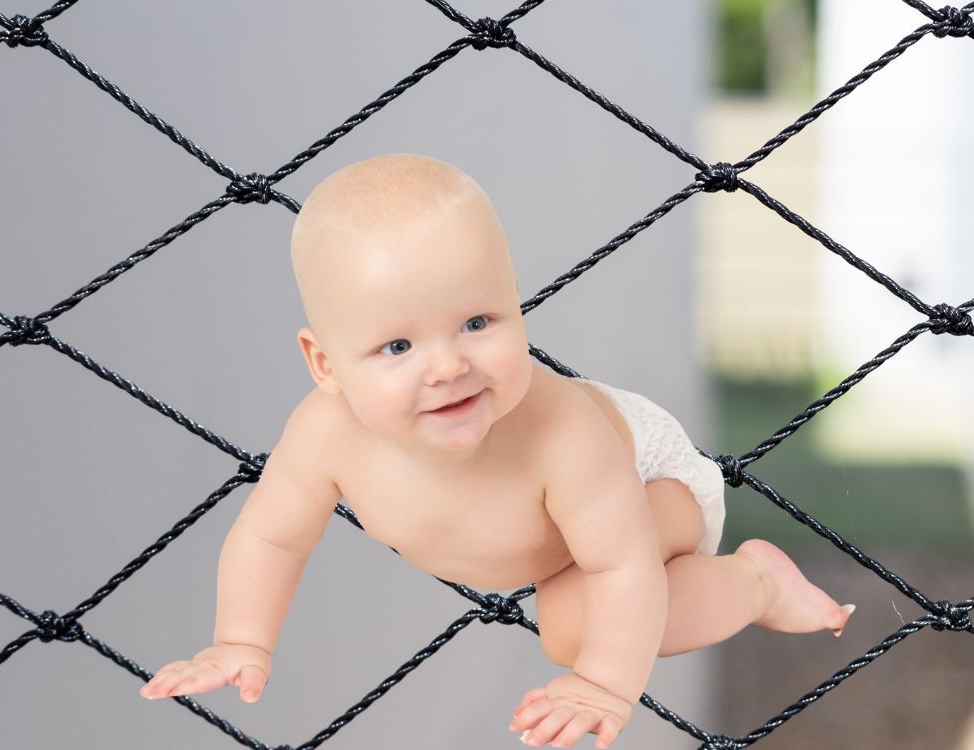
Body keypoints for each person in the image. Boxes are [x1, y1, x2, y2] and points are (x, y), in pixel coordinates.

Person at [139, 153, 854, 749]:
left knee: (572, 626)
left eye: (478, 321)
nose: (447, 366)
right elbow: (271, 536)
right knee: (573, 612)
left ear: (516, 300)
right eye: (397, 345)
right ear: (323, 364)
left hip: (649, 473)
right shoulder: (324, 433)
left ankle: (755, 581)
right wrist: (240, 640)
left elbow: (621, 562)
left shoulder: (562, 434)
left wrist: (605, 684)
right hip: (574, 519)